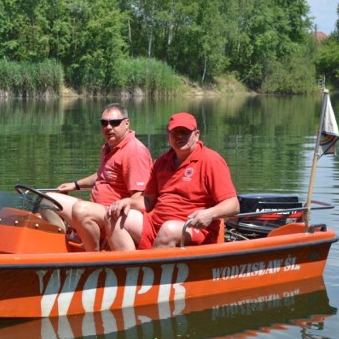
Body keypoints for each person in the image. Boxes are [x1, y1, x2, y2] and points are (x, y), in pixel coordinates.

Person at [106, 112, 239, 250]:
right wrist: (128, 201)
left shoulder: (211, 160)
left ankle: (153, 269)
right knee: (112, 217)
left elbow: (233, 205)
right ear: (168, 136)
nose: (180, 136)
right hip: (156, 225)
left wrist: (210, 214)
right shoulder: (161, 162)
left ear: (197, 134)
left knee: (168, 230)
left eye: (185, 132)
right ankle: (131, 269)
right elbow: (148, 201)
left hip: (194, 229)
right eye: (175, 132)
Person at [48, 103, 153, 251]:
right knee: (47, 200)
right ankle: (69, 242)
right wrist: (75, 185)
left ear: (127, 123)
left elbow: (140, 201)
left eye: (115, 123)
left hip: (114, 216)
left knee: (81, 210)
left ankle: (93, 255)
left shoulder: (134, 152)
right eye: (104, 123)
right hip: (97, 210)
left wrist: (115, 223)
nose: (108, 127)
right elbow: (103, 175)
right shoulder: (108, 146)